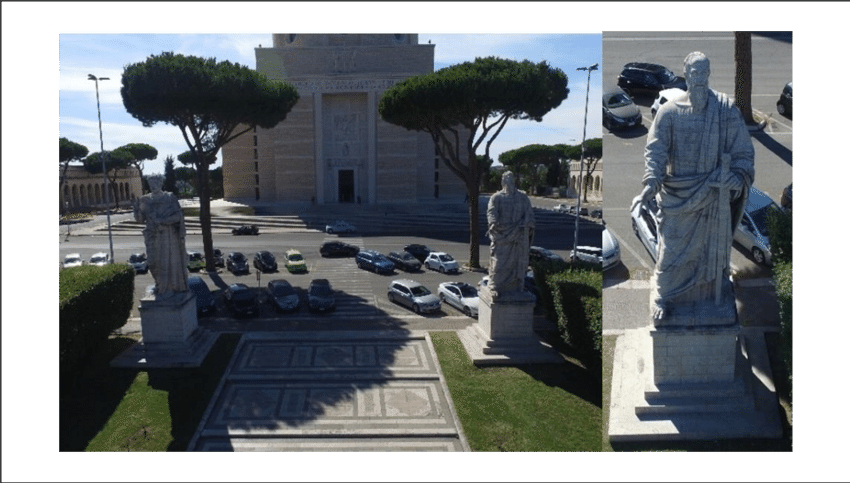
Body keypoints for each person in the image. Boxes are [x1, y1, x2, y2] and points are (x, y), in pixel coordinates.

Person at [631, 52, 755, 322]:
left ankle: (706, 296)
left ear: (709, 74)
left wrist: (737, 177)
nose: (700, 79)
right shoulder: (669, 113)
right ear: (686, 75)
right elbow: (655, 152)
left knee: (712, 254)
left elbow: (744, 152)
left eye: (704, 73)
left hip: (714, 196)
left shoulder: (725, 110)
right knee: (671, 254)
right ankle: (664, 296)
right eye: (694, 73)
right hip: (678, 198)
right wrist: (651, 183)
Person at [134, 174, 189, 298]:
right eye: (151, 184)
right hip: (152, 236)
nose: (153, 186)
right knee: (152, 262)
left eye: (156, 183)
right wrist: (136, 210)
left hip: (168, 236)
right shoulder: (145, 200)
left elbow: (178, 216)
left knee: (168, 262)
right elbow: (140, 220)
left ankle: (169, 287)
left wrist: (162, 220)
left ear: (161, 183)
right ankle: (159, 284)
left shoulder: (169, 198)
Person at [486, 171, 535, 298]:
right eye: (506, 179)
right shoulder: (496, 197)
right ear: (503, 182)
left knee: (518, 263)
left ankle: (517, 286)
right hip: (501, 234)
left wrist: (528, 224)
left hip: (519, 234)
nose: (509, 181)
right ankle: (495, 286)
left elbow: (529, 213)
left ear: (514, 181)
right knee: (499, 263)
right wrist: (493, 223)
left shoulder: (522, 197)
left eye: (511, 179)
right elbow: (491, 211)